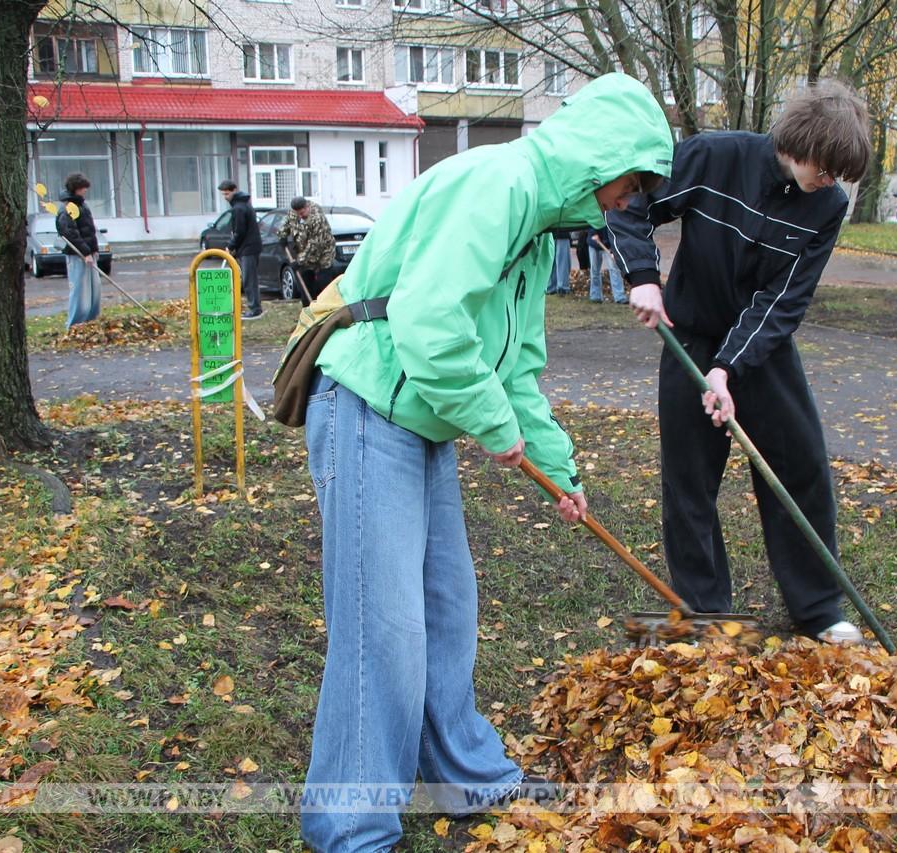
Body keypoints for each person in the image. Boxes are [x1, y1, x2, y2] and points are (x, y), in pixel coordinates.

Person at [299, 72, 672, 853]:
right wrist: (494, 423)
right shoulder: (498, 186)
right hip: (368, 406)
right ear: (601, 156)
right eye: (632, 180)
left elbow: (517, 369)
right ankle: (352, 827)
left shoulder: (534, 231)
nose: (628, 199)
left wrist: (559, 469)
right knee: (382, 626)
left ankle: (463, 775)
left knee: (447, 607)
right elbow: (430, 323)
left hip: (419, 420)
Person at [607, 78, 872, 644]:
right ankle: (707, 612)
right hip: (690, 337)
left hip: (760, 350)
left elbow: (784, 300)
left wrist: (728, 368)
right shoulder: (714, 156)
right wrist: (643, 277)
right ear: (800, 142)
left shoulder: (826, 205)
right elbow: (630, 204)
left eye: (839, 175)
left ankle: (818, 609)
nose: (831, 181)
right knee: (689, 480)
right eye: (826, 168)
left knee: (801, 467)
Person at [55, 172, 101, 329]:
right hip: (77, 255)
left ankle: (91, 322)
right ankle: (75, 325)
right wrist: (85, 252)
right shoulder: (67, 208)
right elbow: (70, 233)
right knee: (80, 291)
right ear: (76, 188)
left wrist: (93, 249)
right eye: (83, 188)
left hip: (89, 254)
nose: (85, 190)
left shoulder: (83, 205)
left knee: (94, 289)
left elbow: (89, 230)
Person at [277, 196, 336, 305]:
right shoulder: (294, 213)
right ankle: (307, 308)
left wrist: (299, 261)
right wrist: (282, 235)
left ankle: (327, 308)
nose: (300, 216)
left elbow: (314, 244)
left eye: (302, 213)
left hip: (323, 253)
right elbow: (286, 223)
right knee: (305, 284)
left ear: (307, 207)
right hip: (305, 254)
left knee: (324, 284)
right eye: (297, 213)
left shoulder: (317, 218)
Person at [218, 180, 263, 320]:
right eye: (223, 194)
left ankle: (255, 309)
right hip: (249, 246)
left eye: (227, 194)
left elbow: (240, 231)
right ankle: (255, 307)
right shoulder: (244, 204)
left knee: (249, 279)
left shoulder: (239, 208)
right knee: (250, 278)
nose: (225, 197)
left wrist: (231, 245)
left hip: (248, 248)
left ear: (234, 190)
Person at [586, 225, 626, 304]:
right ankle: (595, 296)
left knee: (614, 269)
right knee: (594, 270)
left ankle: (619, 296)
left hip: (609, 243)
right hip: (594, 242)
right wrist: (593, 232)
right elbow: (589, 220)